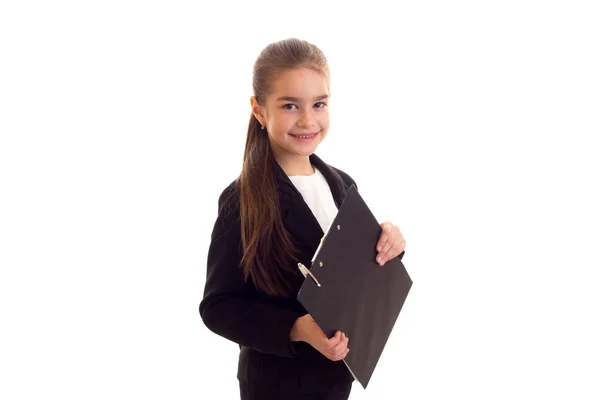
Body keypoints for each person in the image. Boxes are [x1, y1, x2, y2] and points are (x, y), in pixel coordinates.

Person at [199, 38, 406, 400]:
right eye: (290, 105)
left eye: (319, 104)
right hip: (275, 384)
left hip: (335, 378)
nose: (308, 120)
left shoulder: (343, 185)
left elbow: (357, 274)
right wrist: (295, 328)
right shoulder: (241, 200)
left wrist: (388, 244)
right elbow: (218, 307)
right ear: (259, 110)